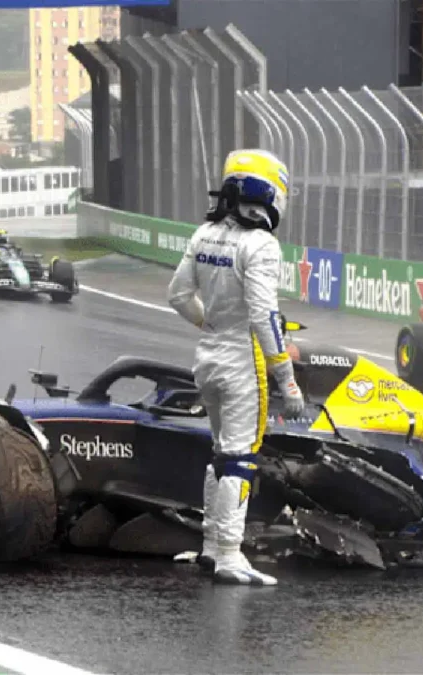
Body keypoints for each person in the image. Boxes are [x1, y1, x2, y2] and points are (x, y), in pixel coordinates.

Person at [167, 148, 305, 586]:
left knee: (219, 454)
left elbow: (177, 295)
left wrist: (209, 324)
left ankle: (211, 548)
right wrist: (287, 379)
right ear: (268, 193)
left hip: (206, 357)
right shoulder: (261, 244)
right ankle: (229, 553)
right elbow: (265, 315)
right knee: (241, 458)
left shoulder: (203, 234)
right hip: (242, 360)